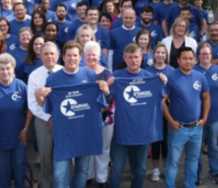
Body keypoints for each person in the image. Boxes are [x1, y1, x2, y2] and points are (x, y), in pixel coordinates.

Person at [36, 43, 109, 188]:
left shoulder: (89, 75)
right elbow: (47, 107)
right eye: (68, 55)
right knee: (60, 176)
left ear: (80, 57)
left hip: (85, 132)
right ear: (63, 57)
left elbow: (100, 104)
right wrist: (38, 95)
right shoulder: (53, 79)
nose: (72, 58)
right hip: (64, 133)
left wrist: (106, 91)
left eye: (75, 55)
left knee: (82, 170)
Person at [107, 43, 167, 188]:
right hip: (122, 131)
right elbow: (108, 99)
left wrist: (163, 83)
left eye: (136, 57)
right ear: (124, 58)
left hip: (143, 132)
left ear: (141, 58)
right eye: (130, 57)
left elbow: (162, 98)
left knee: (140, 169)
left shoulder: (151, 78)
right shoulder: (116, 76)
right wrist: (107, 88)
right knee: (116, 169)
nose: (134, 60)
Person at [163, 47, 211, 188]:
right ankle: (170, 185)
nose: (188, 61)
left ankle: (190, 185)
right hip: (178, 128)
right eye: (185, 58)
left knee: (193, 160)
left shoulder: (200, 76)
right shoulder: (172, 77)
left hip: (196, 128)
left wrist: (205, 118)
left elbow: (206, 98)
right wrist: (170, 121)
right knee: (173, 161)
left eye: (191, 58)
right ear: (178, 60)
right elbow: (162, 102)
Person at [0, 54, 32, 188]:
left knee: (19, 168)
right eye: (2, 69)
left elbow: (30, 108)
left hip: (19, 136)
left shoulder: (21, 85)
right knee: (3, 171)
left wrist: (26, 129)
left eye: (8, 68)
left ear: (13, 69)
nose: (5, 72)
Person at [194, 43, 218, 184]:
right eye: (202, 54)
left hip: (215, 116)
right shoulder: (193, 71)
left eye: (207, 54)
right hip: (197, 117)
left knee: (213, 145)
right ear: (198, 56)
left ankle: (214, 172)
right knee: (196, 147)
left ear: (211, 55)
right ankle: (196, 173)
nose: (205, 56)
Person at [27, 42, 62, 187]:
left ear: (58, 56)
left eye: (52, 53)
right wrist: (49, 118)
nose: (49, 57)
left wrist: (57, 118)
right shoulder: (34, 75)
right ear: (40, 56)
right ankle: (46, 184)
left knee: (64, 156)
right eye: (46, 54)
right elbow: (32, 104)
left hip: (63, 120)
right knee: (45, 156)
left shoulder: (65, 71)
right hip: (43, 121)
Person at [83, 42, 114, 188]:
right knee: (87, 147)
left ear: (99, 56)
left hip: (105, 117)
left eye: (94, 54)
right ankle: (87, 175)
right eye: (88, 55)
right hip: (84, 118)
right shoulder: (80, 72)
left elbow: (112, 96)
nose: (91, 57)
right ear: (84, 56)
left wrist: (107, 92)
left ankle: (102, 178)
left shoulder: (107, 73)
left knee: (103, 147)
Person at [147, 44, 175, 181]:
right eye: (157, 52)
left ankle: (166, 167)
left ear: (166, 55)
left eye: (162, 53)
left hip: (167, 109)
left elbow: (175, 90)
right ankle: (155, 169)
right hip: (152, 110)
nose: (160, 55)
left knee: (166, 139)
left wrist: (165, 82)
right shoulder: (147, 71)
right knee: (155, 140)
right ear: (154, 54)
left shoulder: (171, 71)